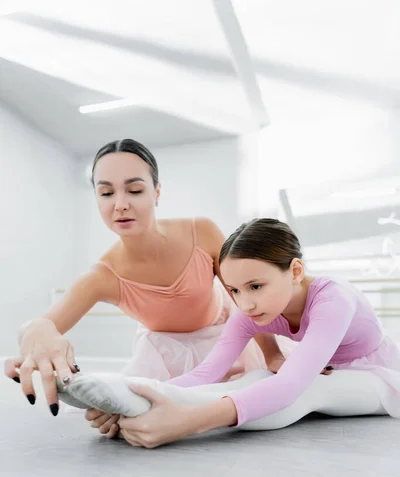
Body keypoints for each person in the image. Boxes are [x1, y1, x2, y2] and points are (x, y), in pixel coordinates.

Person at [57, 217, 400, 447]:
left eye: (255, 286)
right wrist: (147, 391)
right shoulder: (253, 311)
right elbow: (208, 372)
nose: (245, 303)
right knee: (258, 376)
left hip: (380, 376)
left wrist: (189, 423)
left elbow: (289, 386)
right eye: (235, 290)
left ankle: (163, 410)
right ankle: (132, 397)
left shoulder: (333, 299)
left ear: (295, 271)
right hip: (331, 369)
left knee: (306, 390)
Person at [4, 139, 270, 424]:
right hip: (163, 358)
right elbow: (39, 326)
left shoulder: (202, 232)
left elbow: (246, 300)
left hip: (228, 340)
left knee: (254, 400)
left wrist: (273, 354)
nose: (120, 205)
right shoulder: (101, 276)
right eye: (106, 193)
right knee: (132, 413)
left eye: (134, 190)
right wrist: (36, 334)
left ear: (156, 192)